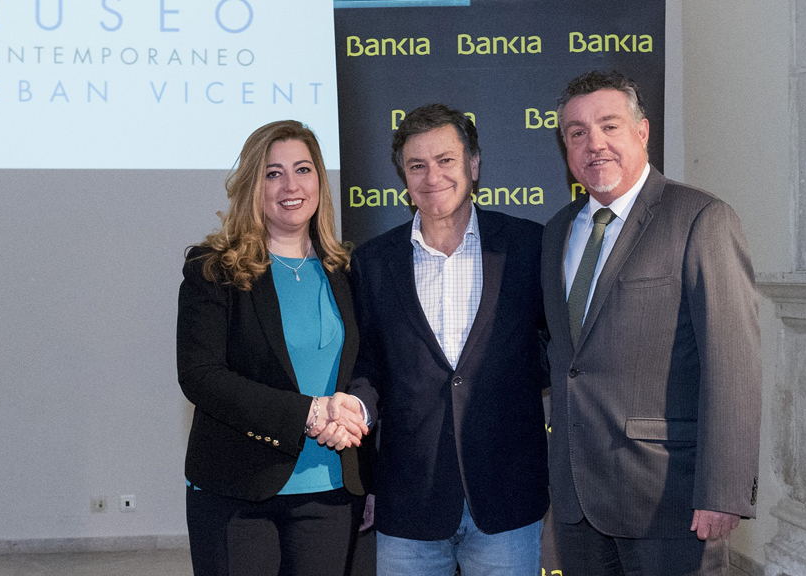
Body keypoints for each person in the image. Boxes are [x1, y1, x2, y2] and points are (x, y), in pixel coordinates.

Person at [541, 70, 762, 575]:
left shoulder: (701, 219)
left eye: (610, 126)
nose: (594, 143)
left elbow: (733, 365)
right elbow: (565, 359)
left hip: (669, 499)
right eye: (577, 133)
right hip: (577, 501)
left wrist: (724, 490)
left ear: (642, 132)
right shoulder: (557, 232)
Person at [348, 104, 549, 576]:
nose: (431, 176)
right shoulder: (373, 263)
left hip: (506, 499)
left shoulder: (528, 246)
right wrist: (358, 415)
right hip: (409, 501)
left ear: (474, 165)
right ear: (403, 174)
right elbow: (367, 366)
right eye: (417, 165)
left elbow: (558, 347)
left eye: (446, 160)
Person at [176, 120, 375, 576]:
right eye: (273, 173)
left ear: (320, 181)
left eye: (303, 170)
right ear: (252, 184)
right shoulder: (213, 269)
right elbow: (201, 376)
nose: (291, 185)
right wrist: (307, 413)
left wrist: (355, 409)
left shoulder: (345, 268)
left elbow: (366, 364)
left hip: (330, 491)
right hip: (238, 491)